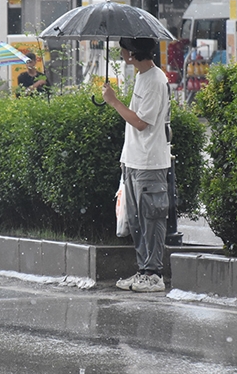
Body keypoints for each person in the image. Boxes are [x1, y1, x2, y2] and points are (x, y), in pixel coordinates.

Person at [103, 37, 171, 293]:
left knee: (151, 219)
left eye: (123, 49)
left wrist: (114, 102)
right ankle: (143, 270)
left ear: (132, 53)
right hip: (134, 160)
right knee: (137, 221)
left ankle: (154, 274)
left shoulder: (155, 80)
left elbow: (142, 122)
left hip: (149, 163)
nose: (121, 53)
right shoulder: (143, 76)